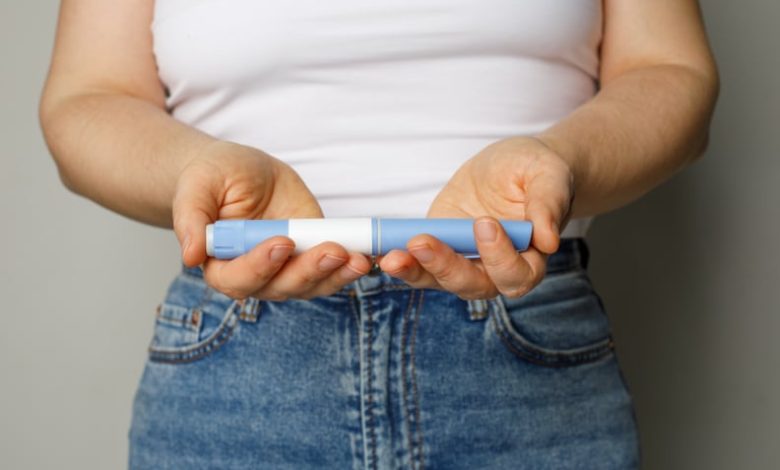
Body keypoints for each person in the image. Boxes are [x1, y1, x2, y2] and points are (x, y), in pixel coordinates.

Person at [40, 1, 718, 468]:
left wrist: (558, 164)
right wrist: (194, 170)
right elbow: (88, 97)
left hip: (525, 341)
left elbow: (671, 73)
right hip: (242, 355)